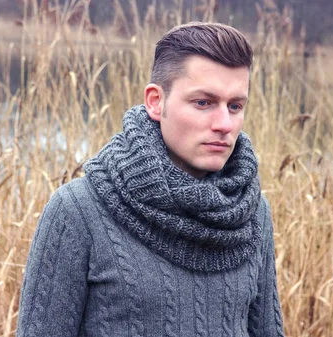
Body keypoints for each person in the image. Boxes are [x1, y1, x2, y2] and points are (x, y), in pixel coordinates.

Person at [16, 22, 285, 337]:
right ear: (156, 102)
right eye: (204, 103)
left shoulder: (250, 211)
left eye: (235, 106)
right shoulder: (78, 211)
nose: (224, 123)